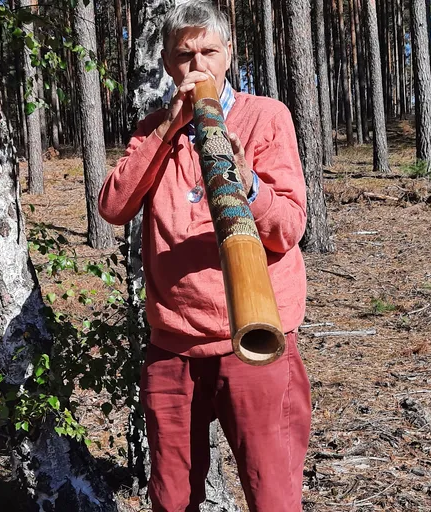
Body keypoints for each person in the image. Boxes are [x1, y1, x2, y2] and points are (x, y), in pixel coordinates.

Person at [97, 2, 311, 511]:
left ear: (229, 53)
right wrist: (168, 127)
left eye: (208, 52)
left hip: (257, 338)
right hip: (173, 345)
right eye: (184, 55)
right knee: (172, 497)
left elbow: (288, 228)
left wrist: (248, 184)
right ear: (168, 63)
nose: (198, 66)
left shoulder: (265, 117)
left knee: (272, 494)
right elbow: (112, 205)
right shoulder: (154, 128)